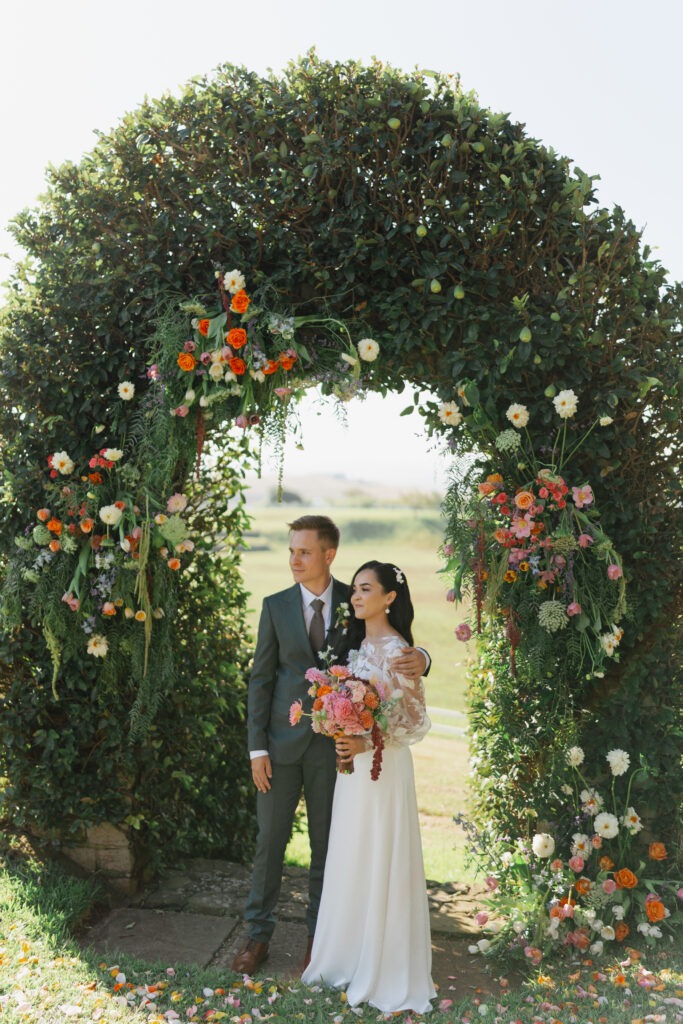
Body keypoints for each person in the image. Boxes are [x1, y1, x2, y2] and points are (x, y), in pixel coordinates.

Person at [231, 517, 430, 976]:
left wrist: (423, 657)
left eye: (304, 551)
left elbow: (388, 646)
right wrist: (255, 749)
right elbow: (261, 679)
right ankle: (256, 938)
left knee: (328, 848)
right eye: (291, 551)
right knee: (269, 843)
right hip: (278, 748)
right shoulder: (275, 605)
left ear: (328, 554)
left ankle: (318, 943)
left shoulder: (354, 600)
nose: (294, 560)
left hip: (336, 752)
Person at [301, 560, 436, 1013]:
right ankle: (348, 955)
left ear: (389, 598)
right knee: (353, 855)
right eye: (354, 590)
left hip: (384, 768)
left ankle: (385, 965)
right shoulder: (357, 647)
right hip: (354, 772)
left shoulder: (400, 651)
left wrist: (367, 738)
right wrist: (337, 726)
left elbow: (416, 720)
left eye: (365, 589)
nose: (356, 597)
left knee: (381, 856)